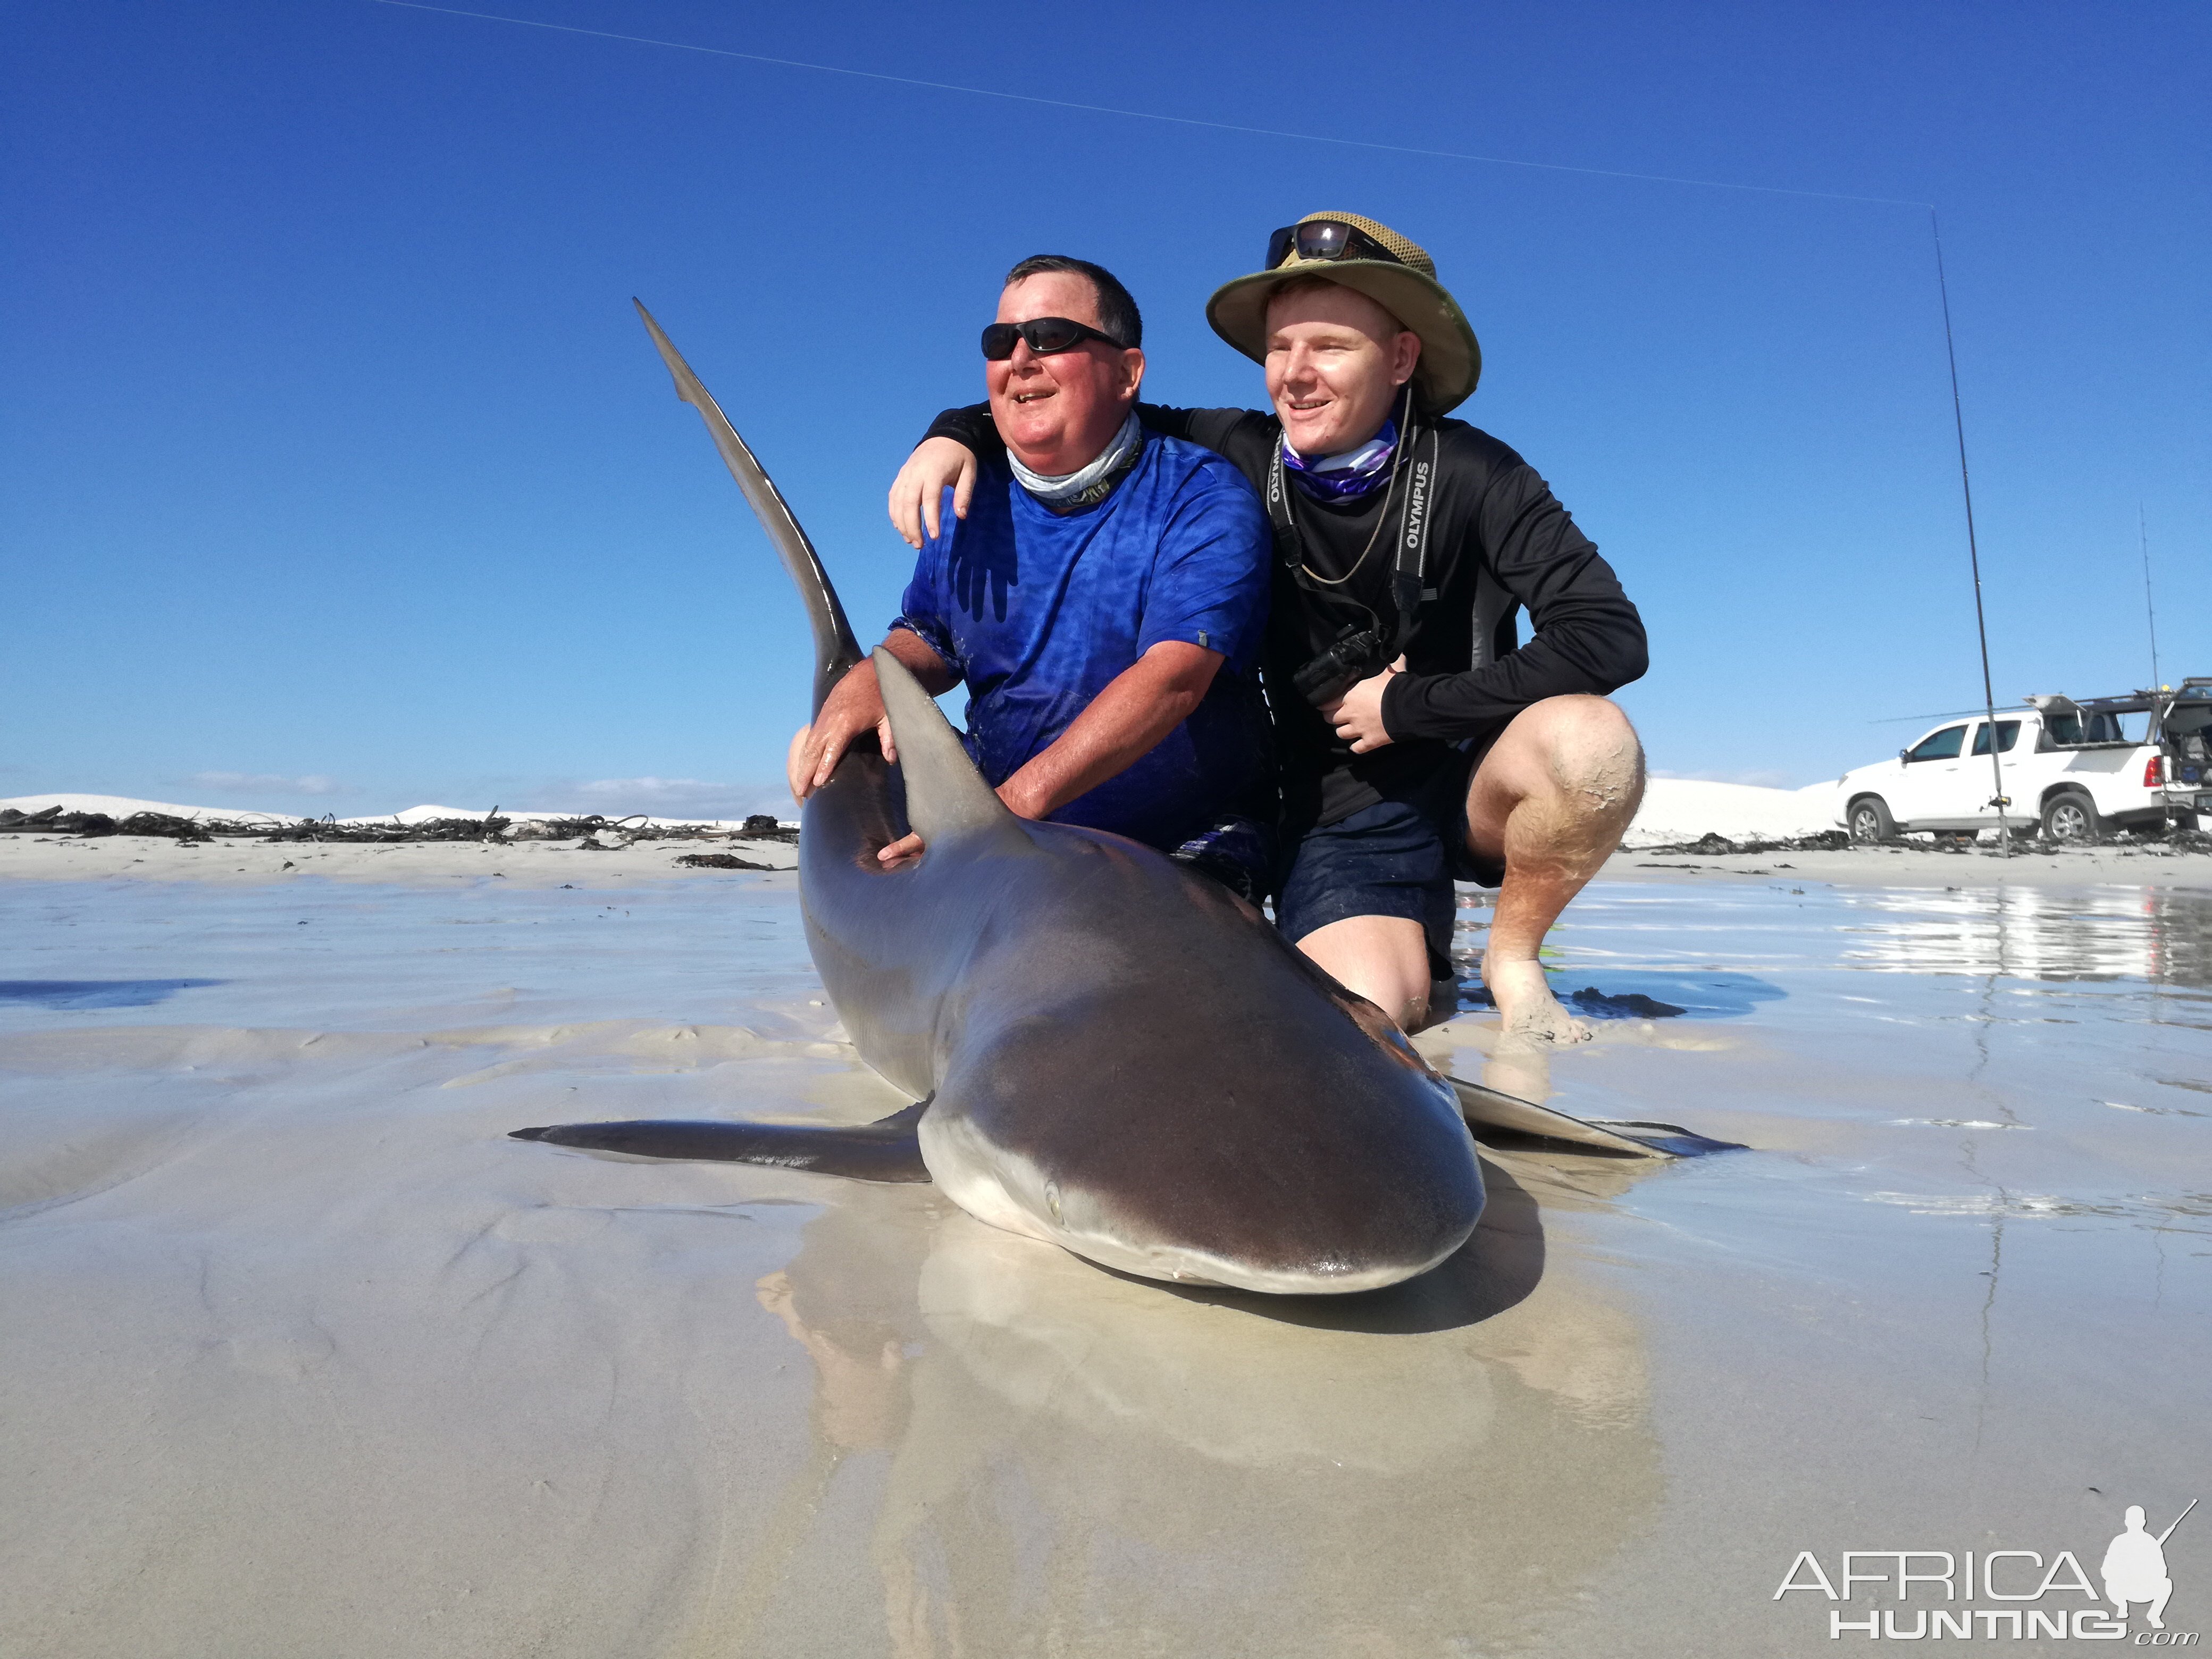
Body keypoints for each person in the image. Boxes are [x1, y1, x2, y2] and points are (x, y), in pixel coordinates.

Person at [889, 214, 1648, 1041]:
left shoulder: (1479, 473)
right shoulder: (1240, 449)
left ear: (1400, 358)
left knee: (1590, 743)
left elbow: (1609, 637)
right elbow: (1076, 396)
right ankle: (1399, 942)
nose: (1294, 374)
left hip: (1475, 779)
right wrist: (950, 432)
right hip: (1346, 806)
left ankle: (1513, 954)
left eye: (1329, 346)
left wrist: (1413, 708)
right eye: (1280, 348)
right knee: (1363, 1021)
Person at [793, 254, 1275, 894]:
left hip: (1183, 842)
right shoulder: (972, 497)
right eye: (1002, 341)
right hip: (1008, 840)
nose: (1020, 357)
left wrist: (1007, 813)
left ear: (1128, 373)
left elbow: (1173, 681)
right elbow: (932, 635)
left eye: (1051, 336)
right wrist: (874, 678)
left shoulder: (1201, 496)